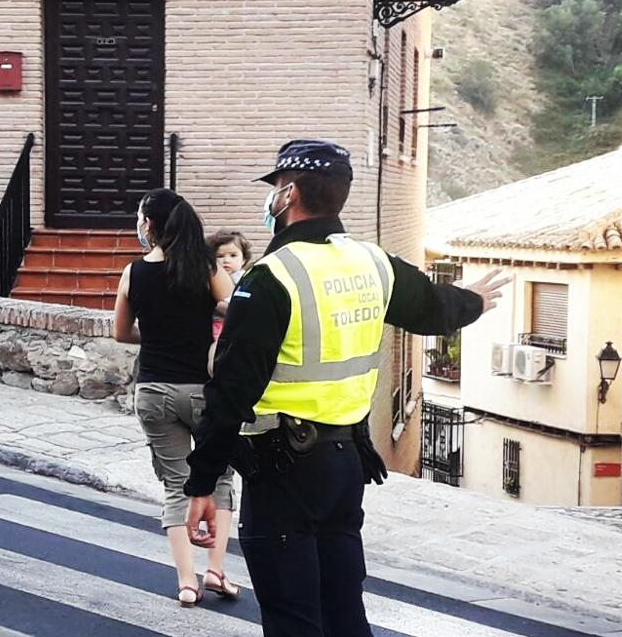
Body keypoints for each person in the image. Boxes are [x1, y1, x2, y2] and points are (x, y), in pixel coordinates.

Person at [182, 140, 512, 636]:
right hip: (344, 464)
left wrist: (202, 483)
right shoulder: (372, 262)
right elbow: (432, 308)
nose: (271, 199)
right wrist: (473, 301)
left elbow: (231, 391)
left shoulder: (271, 277)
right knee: (343, 610)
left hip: (282, 471)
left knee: (294, 617)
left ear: (288, 193)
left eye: (274, 189)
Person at [113, 188, 239, 607]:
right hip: (203, 391)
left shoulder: (133, 272)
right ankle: (217, 570)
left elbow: (120, 332)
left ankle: (187, 582)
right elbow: (236, 307)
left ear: (149, 225)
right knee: (218, 478)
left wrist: (159, 333)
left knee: (175, 485)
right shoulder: (204, 267)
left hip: (154, 391)